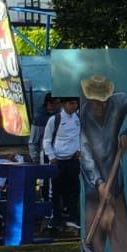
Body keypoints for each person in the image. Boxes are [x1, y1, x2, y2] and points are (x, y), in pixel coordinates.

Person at [79, 76, 127, 252]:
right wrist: (99, 183)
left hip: (115, 178)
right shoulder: (83, 116)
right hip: (94, 184)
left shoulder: (119, 102)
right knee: (97, 229)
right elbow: (85, 154)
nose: (99, 105)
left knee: (120, 228)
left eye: (102, 100)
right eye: (94, 101)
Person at [42, 96, 82, 231]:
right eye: (71, 103)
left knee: (74, 189)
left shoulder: (79, 119)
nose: (74, 106)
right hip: (58, 160)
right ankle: (55, 218)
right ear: (64, 104)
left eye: (76, 103)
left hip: (73, 160)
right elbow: (47, 140)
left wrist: (79, 150)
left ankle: (73, 217)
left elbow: (83, 136)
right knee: (55, 190)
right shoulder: (55, 120)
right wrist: (51, 156)